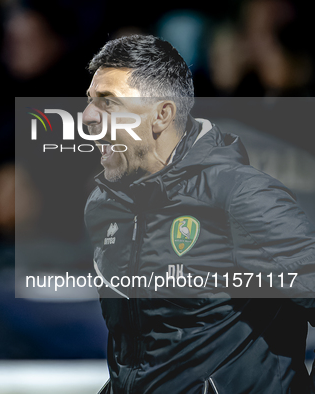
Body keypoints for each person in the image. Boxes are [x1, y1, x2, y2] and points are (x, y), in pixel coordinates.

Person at [82, 34, 315, 393]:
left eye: (108, 102)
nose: (87, 118)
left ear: (161, 114)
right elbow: (139, 356)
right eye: (89, 102)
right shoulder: (104, 206)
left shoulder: (239, 195)